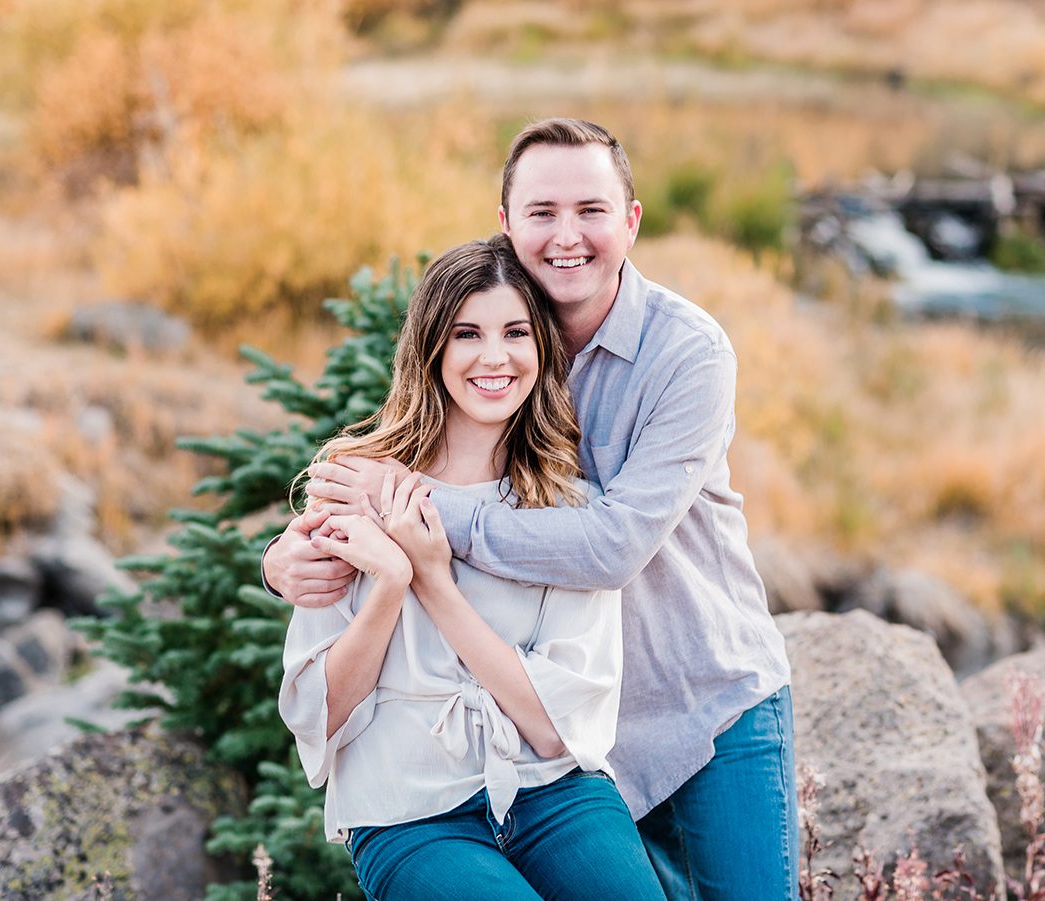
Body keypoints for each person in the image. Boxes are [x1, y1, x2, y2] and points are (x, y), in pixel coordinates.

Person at [268, 119, 797, 900]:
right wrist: (290, 556)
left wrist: (413, 521)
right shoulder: (501, 333)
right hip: (553, 744)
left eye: (592, 209)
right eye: (542, 212)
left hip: (696, 699)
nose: (568, 235)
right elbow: (400, 447)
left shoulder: (686, 354)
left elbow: (612, 545)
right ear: (506, 225)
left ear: (632, 221)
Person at [277, 235, 666, 901]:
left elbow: (551, 728)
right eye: (466, 334)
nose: (494, 357)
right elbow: (321, 710)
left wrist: (431, 577)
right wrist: (389, 587)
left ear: (542, 348)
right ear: (432, 348)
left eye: (516, 331)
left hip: (551, 793)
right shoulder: (353, 486)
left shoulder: (570, 507)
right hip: (408, 807)